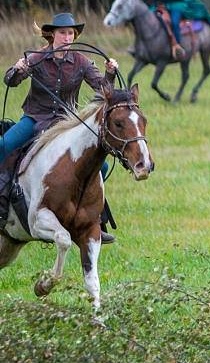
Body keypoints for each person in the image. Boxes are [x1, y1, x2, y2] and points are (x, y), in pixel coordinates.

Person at [1, 13, 121, 243]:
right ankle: (2, 200)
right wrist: (17, 69)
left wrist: (110, 73)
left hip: (66, 124)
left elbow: (103, 89)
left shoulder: (82, 62)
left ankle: (95, 219)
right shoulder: (36, 58)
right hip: (35, 119)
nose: (67, 37)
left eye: (70, 33)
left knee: (101, 166)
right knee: (4, 144)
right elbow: (10, 81)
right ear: (52, 35)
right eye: (63, 33)